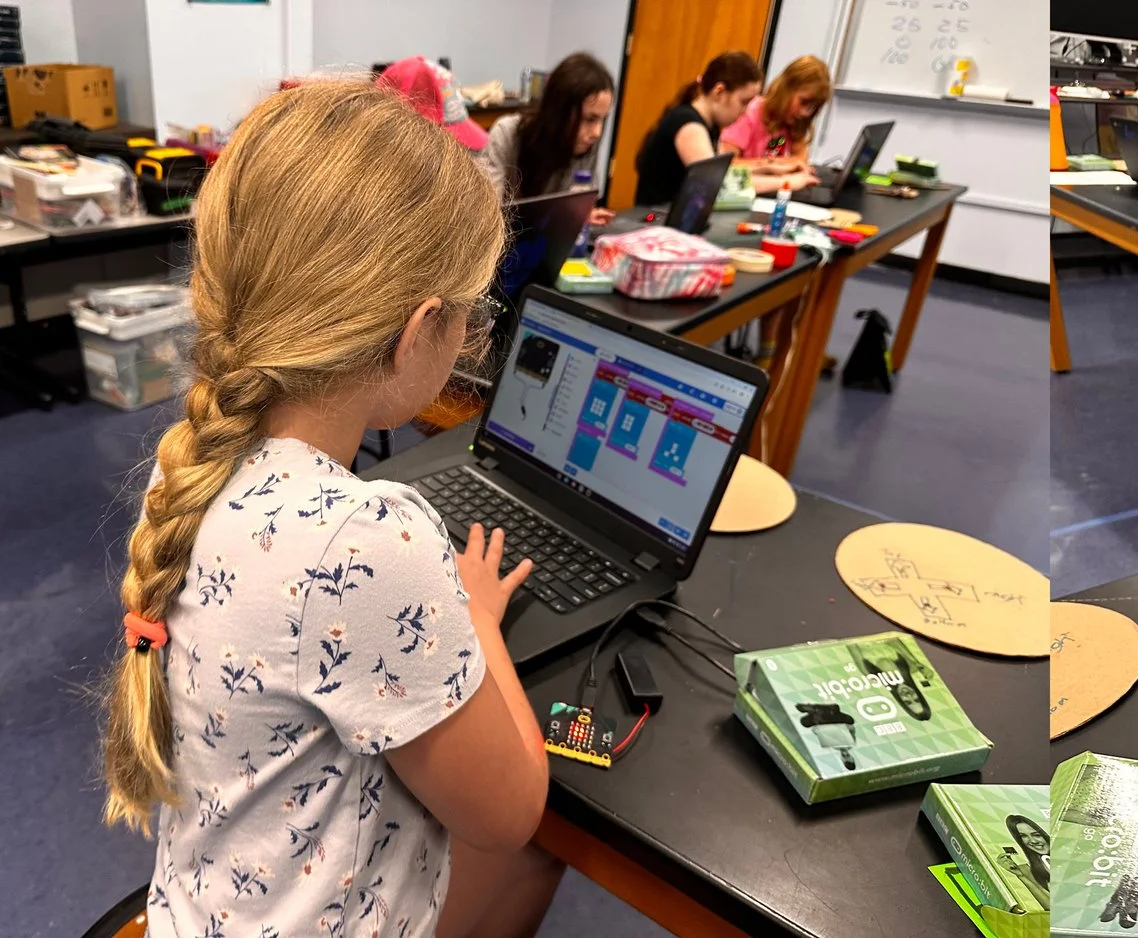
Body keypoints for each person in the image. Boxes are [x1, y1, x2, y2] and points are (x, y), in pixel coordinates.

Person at [98, 81, 563, 938]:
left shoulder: (189, 469)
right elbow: (509, 815)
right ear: (417, 330)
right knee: (537, 853)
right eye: (470, 316)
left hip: (204, 911)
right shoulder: (366, 538)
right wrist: (478, 619)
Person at [479, 51, 618, 225]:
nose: (597, 132)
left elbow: (576, 205)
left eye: (602, 120)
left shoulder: (586, 142)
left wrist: (582, 217)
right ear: (559, 112)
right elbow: (486, 213)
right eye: (590, 119)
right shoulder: (507, 133)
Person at [632, 50, 762, 206]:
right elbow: (718, 186)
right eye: (744, 102)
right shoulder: (689, 125)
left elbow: (727, 174)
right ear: (719, 91)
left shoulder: (711, 126)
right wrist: (785, 182)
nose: (746, 111)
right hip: (655, 220)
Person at [719, 55, 827, 193]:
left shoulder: (792, 121)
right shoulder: (749, 113)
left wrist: (785, 165)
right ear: (786, 89)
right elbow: (726, 164)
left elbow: (800, 159)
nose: (805, 113)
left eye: (813, 107)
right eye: (804, 102)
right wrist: (773, 164)